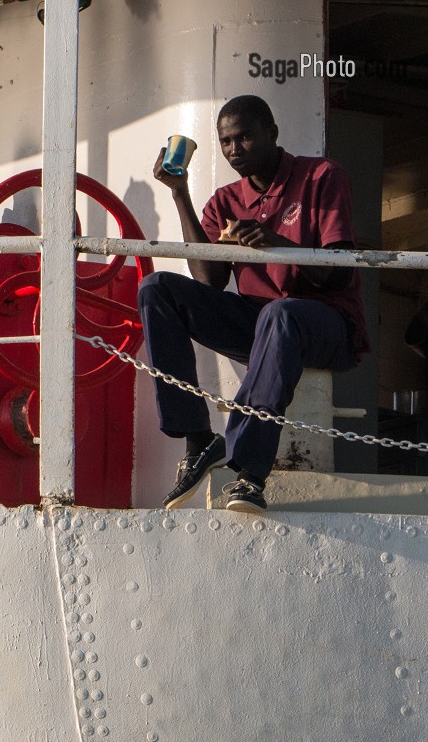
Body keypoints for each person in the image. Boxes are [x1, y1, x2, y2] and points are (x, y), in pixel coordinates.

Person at [141, 94, 367, 513]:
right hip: (262, 324)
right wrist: (179, 193)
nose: (234, 150)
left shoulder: (321, 176)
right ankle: (198, 438)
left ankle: (249, 474)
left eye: (244, 137)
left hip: (327, 324)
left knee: (281, 314)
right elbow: (209, 278)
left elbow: (340, 273)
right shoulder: (225, 201)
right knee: (156, 288)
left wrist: (279, 246)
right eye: (226, 141)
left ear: (272, 134)